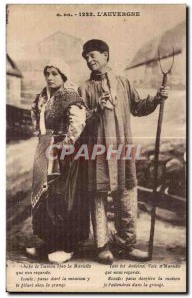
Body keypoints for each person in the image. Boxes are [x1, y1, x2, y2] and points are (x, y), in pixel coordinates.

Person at [78, 39, 169, 264]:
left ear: (106, 55)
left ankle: (126, 244)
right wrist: (97, 107)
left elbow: (138, 107)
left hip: (121, 150)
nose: (90, 61)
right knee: (98, 197)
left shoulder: (123, 83)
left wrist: (157, 99)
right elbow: (77, 122)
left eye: (93, 55)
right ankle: (102, 247)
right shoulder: (84, 88)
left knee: (127, 193)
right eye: (86, 57)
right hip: (97, 151)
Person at [28, 59, 89, 263]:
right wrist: (41, 135)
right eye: (47, 73)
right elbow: (36, 117)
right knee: (44, 195)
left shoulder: (70, 96)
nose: (50, 77)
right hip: (45, 149)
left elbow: (78, 122)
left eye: (54, 73)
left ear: (64, 76)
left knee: (62, 197)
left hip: (64, 153)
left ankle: (67, 246)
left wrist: (66, 143)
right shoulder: (43, 97)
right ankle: (49, 243)